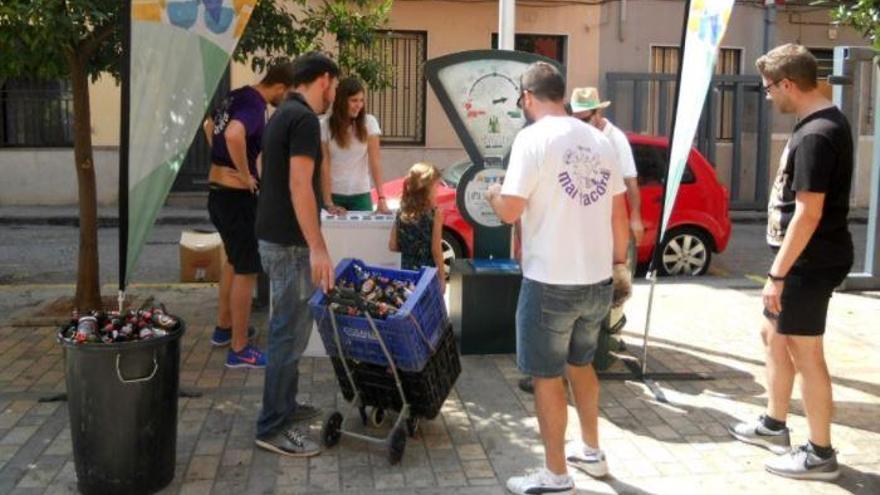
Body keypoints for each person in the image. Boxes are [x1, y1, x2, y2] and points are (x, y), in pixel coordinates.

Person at [486, 62, 631, 494]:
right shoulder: (599, 139)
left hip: (550, 280)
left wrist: (494, 194)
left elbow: (510, 210)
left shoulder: (532, 138)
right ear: (561, 95)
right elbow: (618, 213)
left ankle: (555, 475)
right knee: (582, 365)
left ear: (528, 98)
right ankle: (592, 452)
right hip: (596, 279)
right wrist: (617, 266)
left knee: (546, 377)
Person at [728, 43, 854, 481]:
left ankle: (820, 454)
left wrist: (778, 274)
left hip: (807, 263)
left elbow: (809, 212)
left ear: (787, 84)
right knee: (773, 335)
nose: (767, 97)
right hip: (800, 260)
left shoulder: (817, 134)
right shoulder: (818, 124)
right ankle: (774, 425)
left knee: (806, 352)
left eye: (768, 88)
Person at [253, 52, 340, 457]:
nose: (333, 96)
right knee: (288, 335)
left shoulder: (282, 113)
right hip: (289, 245)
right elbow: (300, 186)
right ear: (324, 80)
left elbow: (263, 165)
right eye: (335, 88)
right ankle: (272, 426)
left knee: (288, 331)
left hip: (274, 239)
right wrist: (318, 247)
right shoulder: (303, 119)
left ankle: (285, 407)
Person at [204, 62, 297, 367]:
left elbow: (209, 126)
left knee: (233, 260)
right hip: (235, 198)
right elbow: (233, 135)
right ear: (281, 88)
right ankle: (240, 348)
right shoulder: (256, 106)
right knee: (247, 269)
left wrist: (222, 163)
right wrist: (245, 175)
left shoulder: (237, 95)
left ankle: (224, 327)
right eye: (288, 95)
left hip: (217, 193)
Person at [320, 77, 391, 214]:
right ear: (341, 101)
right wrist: (328, 202)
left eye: (361, 100)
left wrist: (381, 198)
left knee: (364, 235)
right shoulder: (324, 125)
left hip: (361, 195)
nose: (359, 105)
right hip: (334, 194)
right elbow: (324, 165)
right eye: (354, 100)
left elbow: (375, 162)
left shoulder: (369, 123)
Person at [388, 162, 446, 293]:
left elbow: (392, 245)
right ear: (428, 189)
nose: (437, 190)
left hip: (407, 276)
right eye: (436, 186)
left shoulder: (402, 211)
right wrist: (442, 278)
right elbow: (436, 251)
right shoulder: (435, 214)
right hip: (427, 277)